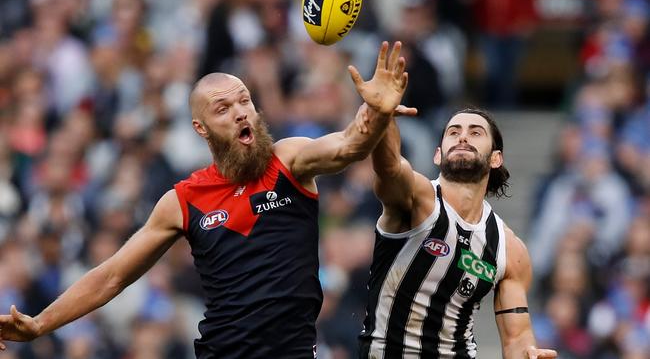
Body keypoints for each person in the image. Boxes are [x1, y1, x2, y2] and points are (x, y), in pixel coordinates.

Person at [0, 41, 415, 358]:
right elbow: (112, 276)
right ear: (201, 128)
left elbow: (349, 146)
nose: (240, 112)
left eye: (245, 101)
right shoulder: (182, 200)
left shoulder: (289, 160)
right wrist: (40, 323)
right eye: (223, 108)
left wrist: (376, 112)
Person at [355, 108, 557, 358]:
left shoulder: (509, 248)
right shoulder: (418, 199)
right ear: (438, 155)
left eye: (475, 132)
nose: (463, 137)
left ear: (496, 158)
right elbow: (390, 170)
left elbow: (516, 337)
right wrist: (383, 117)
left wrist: (529, 355)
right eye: (454, 132)